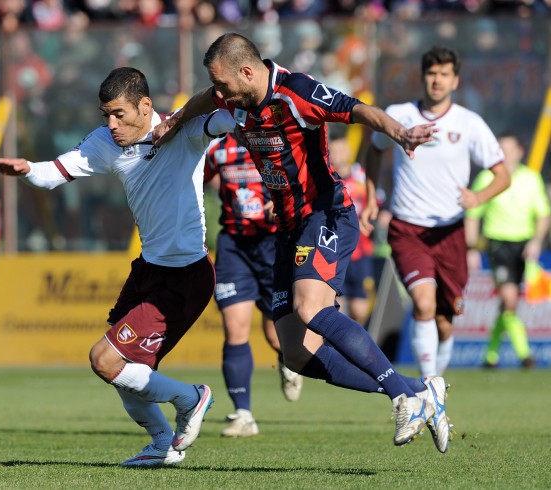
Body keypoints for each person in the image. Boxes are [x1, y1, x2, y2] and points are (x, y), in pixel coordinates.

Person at [152, 32, 451, 453]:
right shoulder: (233, 96)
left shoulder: (297, 92)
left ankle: (403, 398)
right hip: (288, 227)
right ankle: (420, 391)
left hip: (325, 213)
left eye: (223, 85)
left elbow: (357, 110)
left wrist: (400, 133)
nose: (219, 94)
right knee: (294, 353)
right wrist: (175, 119)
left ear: (248, 71)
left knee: (310, 308)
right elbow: (205, 98)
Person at [0, 67, 237, 467]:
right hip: (147, 270)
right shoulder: (106, 141)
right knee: (121, 369)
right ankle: (162, 444)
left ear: (145, 106)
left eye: (119, 114)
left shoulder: (186, 130)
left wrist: (253, 105)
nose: (111, 124)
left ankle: (192, 398)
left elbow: (232, 115)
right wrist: (27, 171)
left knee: (105, 360)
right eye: (105, 114)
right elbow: (55, 172)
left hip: (186, 275)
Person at [361, 46, 510, 380]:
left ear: (455, 80)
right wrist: (371, 199)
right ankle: (429, 388)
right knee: (423, 304)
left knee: (445, 320)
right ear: (423, 77)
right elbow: (374, 150)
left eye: (444, 74)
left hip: (450, 232)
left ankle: (437, 381)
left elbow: (503, 175)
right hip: (407, 228)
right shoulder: (400, 115)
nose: (437, 80)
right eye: (431, 73)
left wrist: (478, 197)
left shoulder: (469, 123)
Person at [204, 133, 302, 439]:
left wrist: (286, 202)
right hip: (233, 246)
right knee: (235, 328)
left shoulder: (275, 140)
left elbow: (300, 180)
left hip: (273, 245)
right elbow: (193, 180)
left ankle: (288, 360)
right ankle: (243, 414)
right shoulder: (216, 148)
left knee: (277, 337)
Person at [465, 131, 550, 369]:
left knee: (509, 305)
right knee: (509, 299)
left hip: (524, 247)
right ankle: (525, 354)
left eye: (508, 148)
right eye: (499, 148)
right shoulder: (486, 178)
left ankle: (491, 356)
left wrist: (536, 241)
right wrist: (471, 248)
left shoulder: (531, 178)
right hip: (498, 244)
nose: (504, 153)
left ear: (520, 151)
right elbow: (473, 214)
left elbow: (543, 214)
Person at [329, 135, 374, 327]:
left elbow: (377, 204)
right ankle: (341, 348)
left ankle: (359, 344)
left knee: (359, 309)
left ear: (349, 151)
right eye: (334, 151)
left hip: (360, 252)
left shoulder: (362, 178)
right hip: (334, 252)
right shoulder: (326, 179)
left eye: (341, 150)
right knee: (337, 305)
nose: (338, 155)